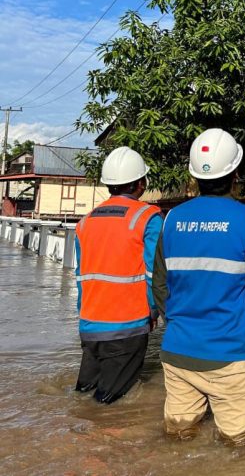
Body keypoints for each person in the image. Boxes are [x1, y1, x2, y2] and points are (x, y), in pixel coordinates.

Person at [152, 128, 245, 445]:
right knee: (241, 449)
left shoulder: (171, 219)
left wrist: (182, 325)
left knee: (179, 441)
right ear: (235, 173)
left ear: (194, 177)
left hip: (177, 354)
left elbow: (159, 286)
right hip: (231, 356)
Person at [74, 146, 163, 404]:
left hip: (89, 325)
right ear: (139, 183)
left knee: (84, 394)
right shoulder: (148, 217)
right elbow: (154, 272)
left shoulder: (85, 221)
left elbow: (81, 276)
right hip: (127, 325)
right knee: (109, 404)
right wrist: (154, 311)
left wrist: (85, 315)